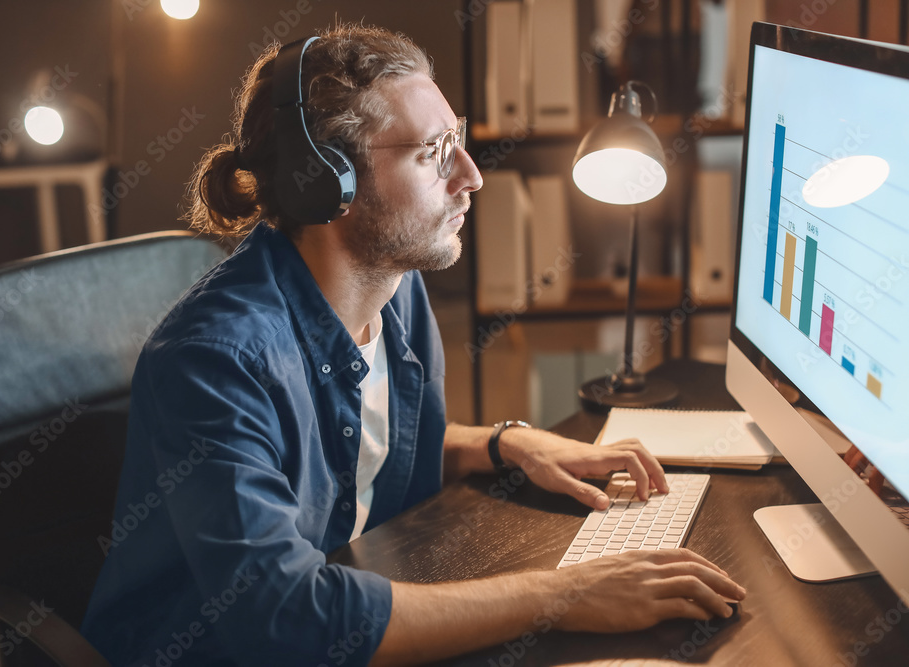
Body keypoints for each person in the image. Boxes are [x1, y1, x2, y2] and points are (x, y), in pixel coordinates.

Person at [80, 23, 745, 666]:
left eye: (457, 140)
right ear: (328, 180)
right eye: (433, 151)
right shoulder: (214, 361)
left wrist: (501, 441)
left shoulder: (396, 290)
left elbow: (350, 441)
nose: (470, 175)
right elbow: (284, 617)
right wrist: (563, 594)